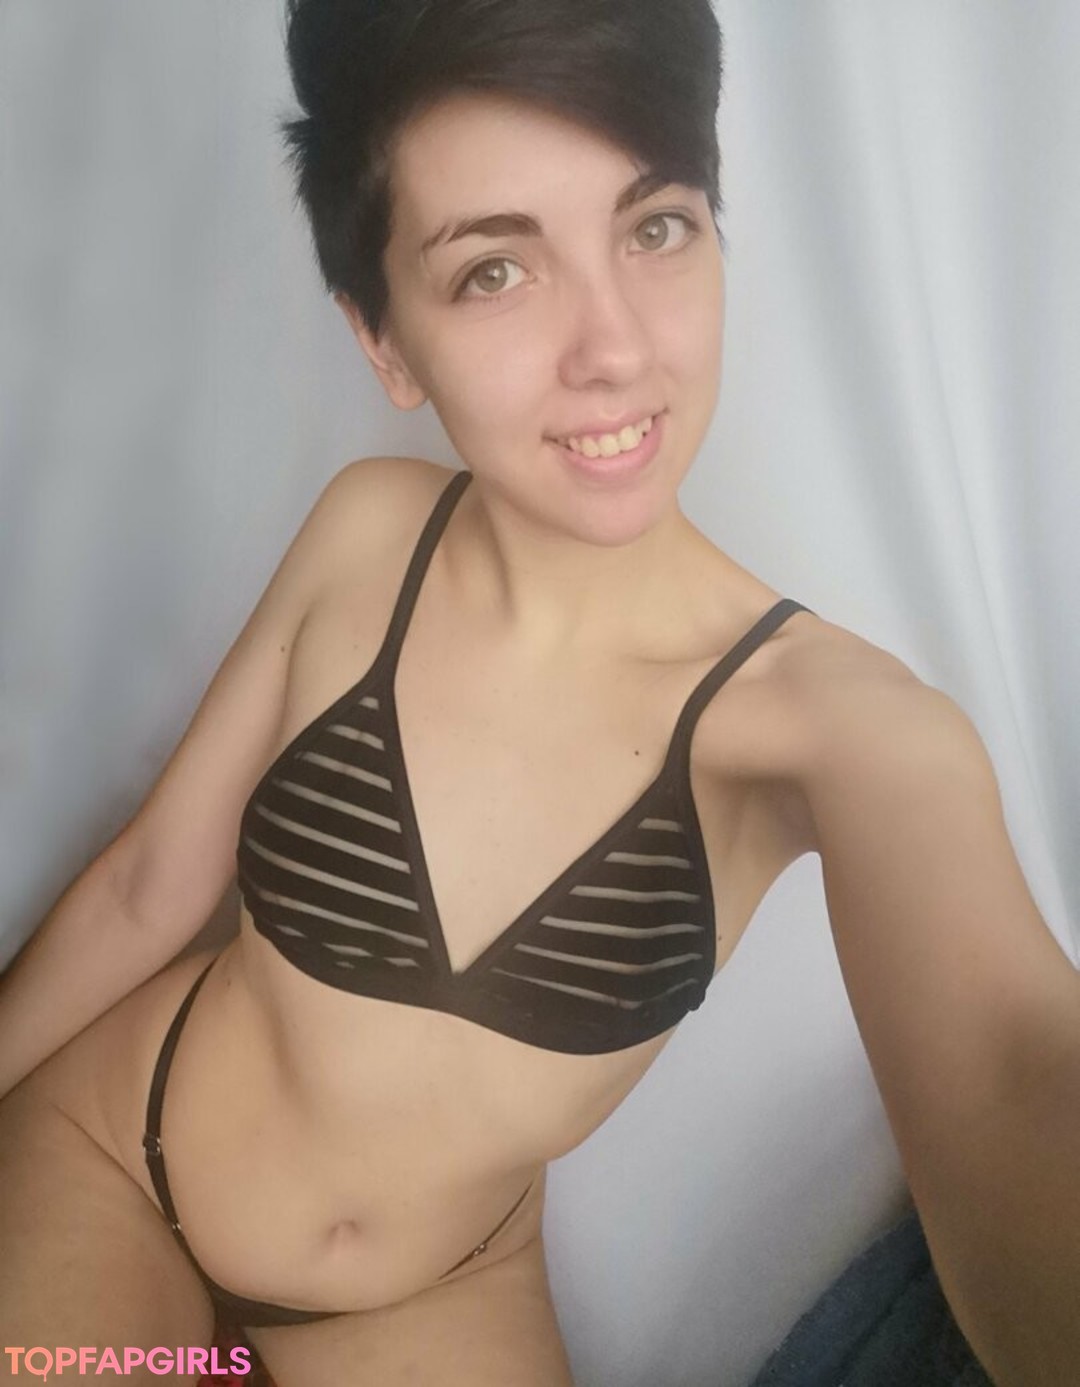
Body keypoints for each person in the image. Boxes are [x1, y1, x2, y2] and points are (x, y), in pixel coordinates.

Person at [1, 2, 1077, 1384]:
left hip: (430, 1302)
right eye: (496, 271)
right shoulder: (370, 531)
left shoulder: (834, 731)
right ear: (385, 342)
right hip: (122, 1161)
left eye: (655, 227)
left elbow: (1014, 1066)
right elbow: (152, 883)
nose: (613, 347)